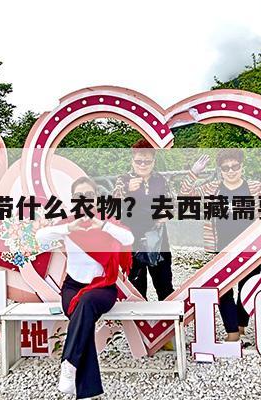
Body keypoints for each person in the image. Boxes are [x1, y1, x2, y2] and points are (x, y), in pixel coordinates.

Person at [36, 176, 134, 399]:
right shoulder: (69, 224)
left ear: (97, 198)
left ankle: (69, 363)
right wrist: (68, 228)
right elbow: (40, 237)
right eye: (79, 196)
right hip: (72, 287)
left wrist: (103, 226)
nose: (85, 199)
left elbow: (128, 237)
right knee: (83, 320)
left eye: (89, 195)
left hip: (102, 288)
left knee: (86, 303)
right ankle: (87, 391)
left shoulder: (106, 222)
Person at [179, 149, 261, 342]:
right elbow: (185, 195)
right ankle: (232, 332)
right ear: (220, 170)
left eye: (234, 166)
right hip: (221, 248)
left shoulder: (254, 187)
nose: (231, 171)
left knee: (248, 288)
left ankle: (241, 326)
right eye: (226, 168)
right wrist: (194, 173)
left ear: (241, 167)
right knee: (223, 290)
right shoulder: (212, 188)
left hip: (250, 249)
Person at [112, 139, 174, 301]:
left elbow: (171, 203)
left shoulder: (161, 180)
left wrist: (166, 213)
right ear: (132, 161)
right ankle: (139, 318)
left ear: (154, 162)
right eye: (139, 161)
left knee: (165, 286)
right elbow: (114, 203)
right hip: (132, 241)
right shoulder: (123, 180)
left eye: (147, 161)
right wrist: (127, 190)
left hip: (158, 240)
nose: (143, 165)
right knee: (136, 289)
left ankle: (166, 317)